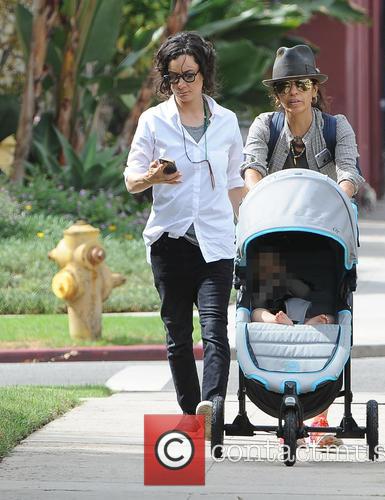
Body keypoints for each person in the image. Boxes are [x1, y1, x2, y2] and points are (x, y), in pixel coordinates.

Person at [241, 44, 364, 446]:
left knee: (326, 312)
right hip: (272, 238)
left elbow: (349, 172)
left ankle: (321, 414)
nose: (292, 92)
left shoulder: (335, 127)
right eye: (284, 87)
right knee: (261, 300)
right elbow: (253, 168)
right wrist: (258, 205)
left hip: (322, 240)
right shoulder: (265, 125)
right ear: (276, 94)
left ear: (314, 89)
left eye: (301, 84)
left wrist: (340, 200)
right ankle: (279, 404)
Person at [124, 32, 245, 439]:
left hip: (215, 242)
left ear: (204, 74)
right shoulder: (153, 120)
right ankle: (191, 413)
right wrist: (152, 177)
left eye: (189, 75)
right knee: (177, 334)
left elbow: (233, 183)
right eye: (173, 77)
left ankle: (212, 407)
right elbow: (131, 180)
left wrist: (250, 228)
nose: (182, 84)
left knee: (215, 329)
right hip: (169, 242)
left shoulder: (226, 122)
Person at [251, 248, 334, 326]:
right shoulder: (261, 288)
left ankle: (309, 324)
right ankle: (276, 320)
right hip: (275, 315)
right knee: (256, 313)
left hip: (297, 311)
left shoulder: (288, 279)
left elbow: (304, 292)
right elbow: (258, 304)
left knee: (329, 318)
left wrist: (286, 279)